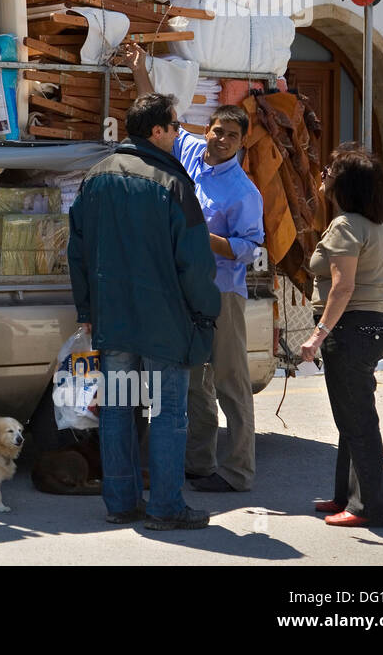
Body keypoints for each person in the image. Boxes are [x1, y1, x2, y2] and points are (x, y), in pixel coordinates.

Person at [67, 92, 222, 530]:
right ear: (157, 131)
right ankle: (166, 508)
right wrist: (206, 313)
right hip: (164, 322)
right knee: (168, 413)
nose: (179, 134)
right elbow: (195, 263)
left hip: (114, 320)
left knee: (117, 409)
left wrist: (86, 308)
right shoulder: (173, 184)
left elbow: (75, 251)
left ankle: (121, 503)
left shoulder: (95, 178)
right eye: (175, 126)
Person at [114, 43, 265, 493]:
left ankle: (238, 472)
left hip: (221, 293)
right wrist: (141, 70)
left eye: (231, 136)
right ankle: (199, 463)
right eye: (217, 130)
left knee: (231, 384)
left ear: (242, 143)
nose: (220, 140)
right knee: (196, 380)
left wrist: (200, 238)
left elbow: (248, 249)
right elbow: (155, 120)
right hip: (186, 291)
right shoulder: (194, 154)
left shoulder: (243, 192)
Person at [301, 143, 383, 528]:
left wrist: (318, 335)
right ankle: (347, 497)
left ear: (345, 183)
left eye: (330, 171)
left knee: (358, 422)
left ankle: (367, 508)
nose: (323, 175)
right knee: (352, 419)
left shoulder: (345, 226)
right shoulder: (375, 224)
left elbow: (343, 288)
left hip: (351, 329)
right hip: (371, 328)